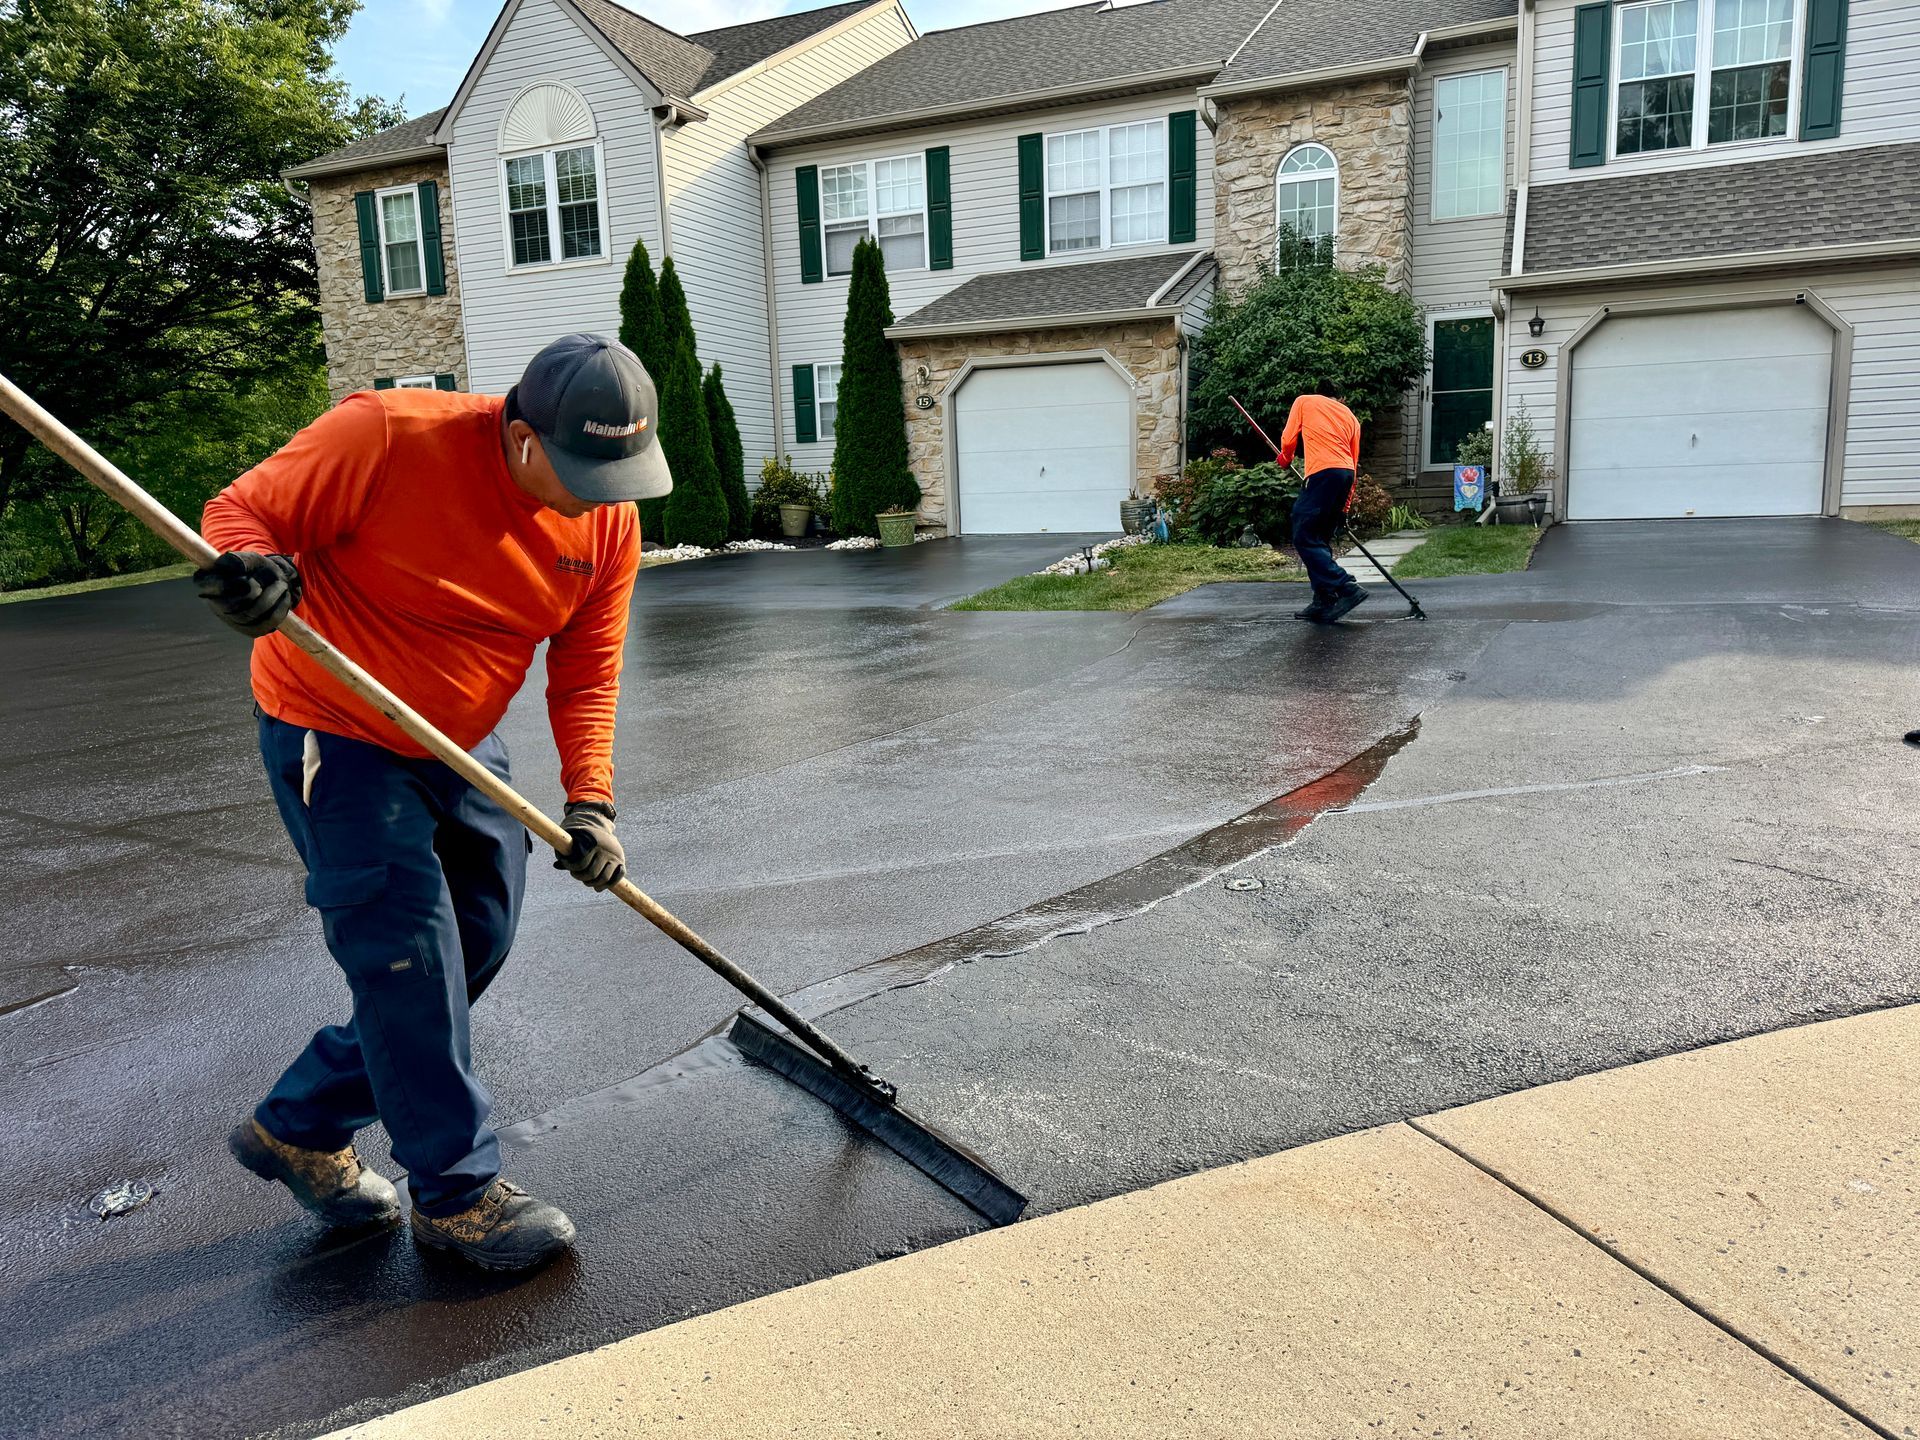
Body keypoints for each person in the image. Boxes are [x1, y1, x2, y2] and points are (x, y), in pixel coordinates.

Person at [196, 333, 666, 1273]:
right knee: (407, 959)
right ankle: (455, 1197)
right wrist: (253, 572)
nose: (598, 495)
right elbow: (237, 511)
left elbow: (586, 671)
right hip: (339, 731)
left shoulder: (608, 519)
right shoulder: (384, 436)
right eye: (579, 470)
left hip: (464, 742)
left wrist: (592, 804)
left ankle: (299, 1124)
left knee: (478, 939)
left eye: (618, 473)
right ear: (522, 436)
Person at [1277, 383, 1367, 624]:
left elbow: (1288, 440)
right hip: (1344, 475)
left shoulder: (1305, 401)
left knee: (1303, 533)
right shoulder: (1351, 417)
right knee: (1319, 538)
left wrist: (1285, 459)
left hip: (1322, 472)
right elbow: (1354, 463)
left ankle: (1345, 587)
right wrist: (1344, 510)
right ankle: (1324, 599)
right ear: (1340, 397)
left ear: (1319, 392)